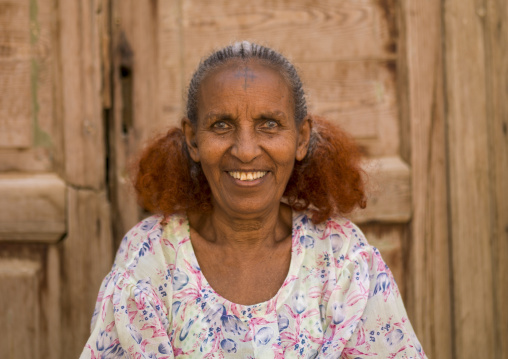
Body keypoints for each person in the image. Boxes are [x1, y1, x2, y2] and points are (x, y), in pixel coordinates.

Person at [80, 41, 426, 358]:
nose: (245, 150)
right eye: (221, 126)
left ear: (301, 138)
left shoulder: (342, 259)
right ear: (193, 140)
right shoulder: (151, 259)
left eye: (269, 124)